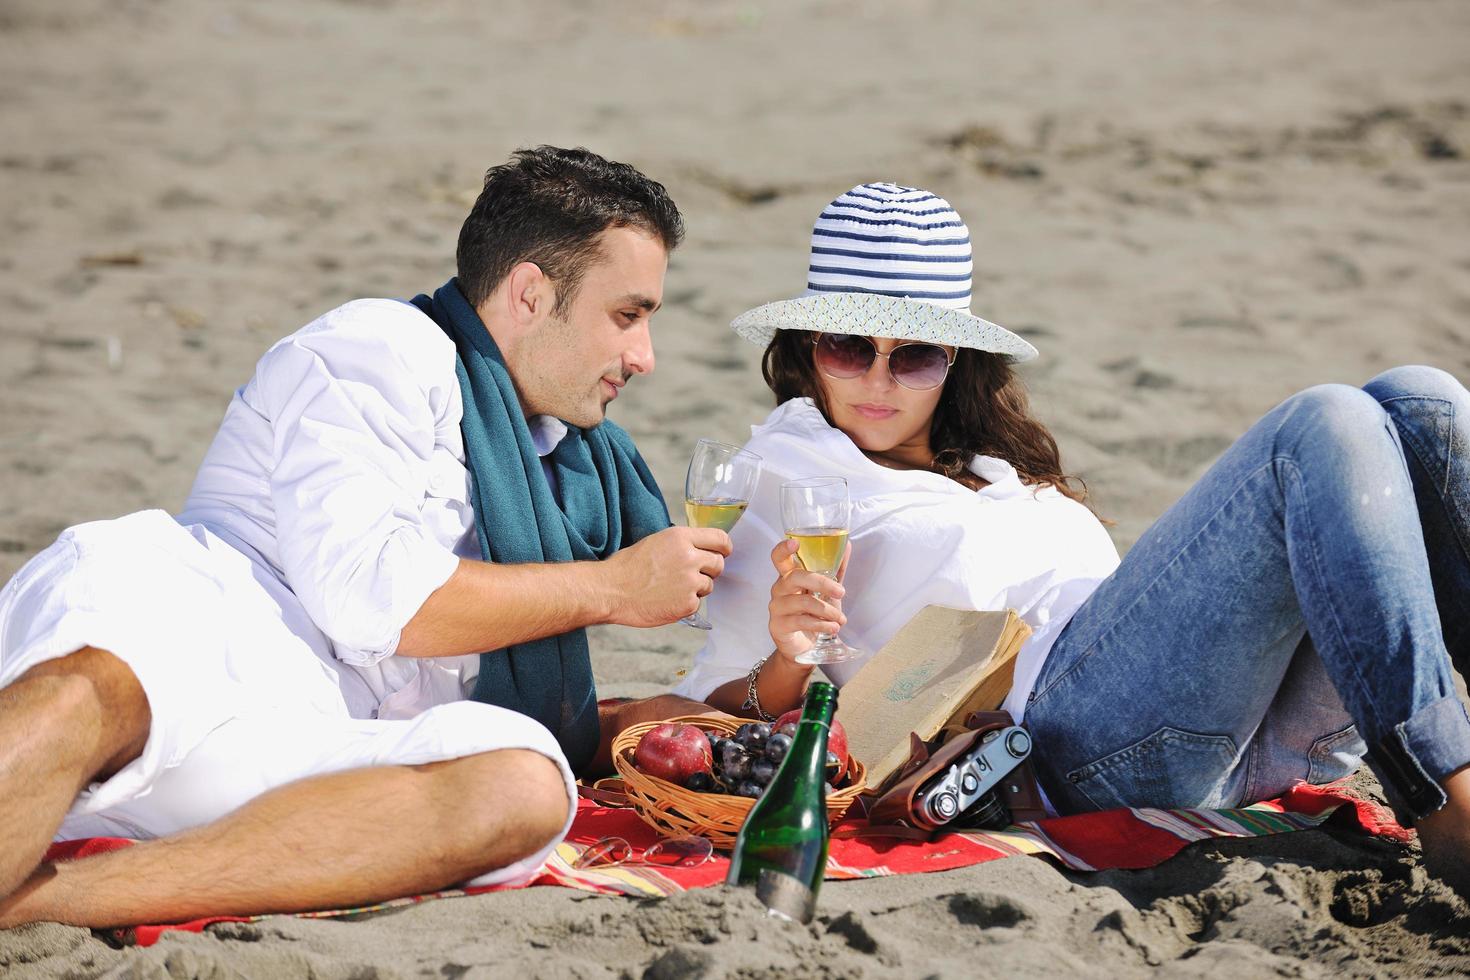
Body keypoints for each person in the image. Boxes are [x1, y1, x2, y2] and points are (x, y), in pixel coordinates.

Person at [0, 146, 732, 928]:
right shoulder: (381, 348)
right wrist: (613, 588)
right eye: (627, 316)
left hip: (301, 733)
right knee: (100, 690)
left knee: (523, 785)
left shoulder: (570, 467)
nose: (644, 358)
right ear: (528, 294)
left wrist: (769, 669)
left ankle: (45, 903)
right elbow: (370, 601)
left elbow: (565, 713)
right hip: (203, 628)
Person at [674, 182, 1470, 895]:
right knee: (1323, 423)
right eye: (848, 348)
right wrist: (788, 655)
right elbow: (712, 713)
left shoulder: (990, 464)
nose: (878, 380)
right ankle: (1444, 788)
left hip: (1243, 734)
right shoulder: (786, 472)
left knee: (1420, 402)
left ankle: (1438, 764)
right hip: (1069, 749)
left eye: (914, 354)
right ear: (808, 348)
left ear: (955, 361)